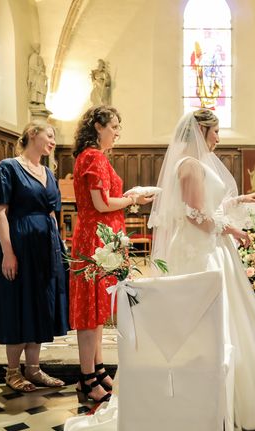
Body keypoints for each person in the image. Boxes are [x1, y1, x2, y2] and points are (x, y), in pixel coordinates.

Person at [65, 109, 255, 431]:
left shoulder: (199, 164)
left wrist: (242, 200)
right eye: (215, 132)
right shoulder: (190, 165)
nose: (219, 138)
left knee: (222, 318)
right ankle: (196, 395)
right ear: (200, 131)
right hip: (200, 250)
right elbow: (196, 216)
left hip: (212, 246)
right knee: (200, 321)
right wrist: (233, 230)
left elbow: (212, 206)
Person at [69, 106, 152, 403]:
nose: (117, 132)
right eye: (114, 126)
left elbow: (104, 201)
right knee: (90, 312)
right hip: (96, 240)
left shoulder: (96, 157)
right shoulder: (93, 157)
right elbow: (101, 204)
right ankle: (86, 377)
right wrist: (132, 199)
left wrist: (130, 198)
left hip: (102, 237)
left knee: (98, 308)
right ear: (97, 126)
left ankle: (98, 368)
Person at [0, 121, 68, 392]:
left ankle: (33, 368)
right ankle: (12, 371)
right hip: (19, 244)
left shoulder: (48, 172)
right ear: (33, 134)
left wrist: (60, 245)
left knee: (41, 304)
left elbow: (53, 213)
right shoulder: (8, 168)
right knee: (18, 304)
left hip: (46, 247)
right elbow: (0, 213)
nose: (53, 141)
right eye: (50, 135)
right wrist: (8, 253)